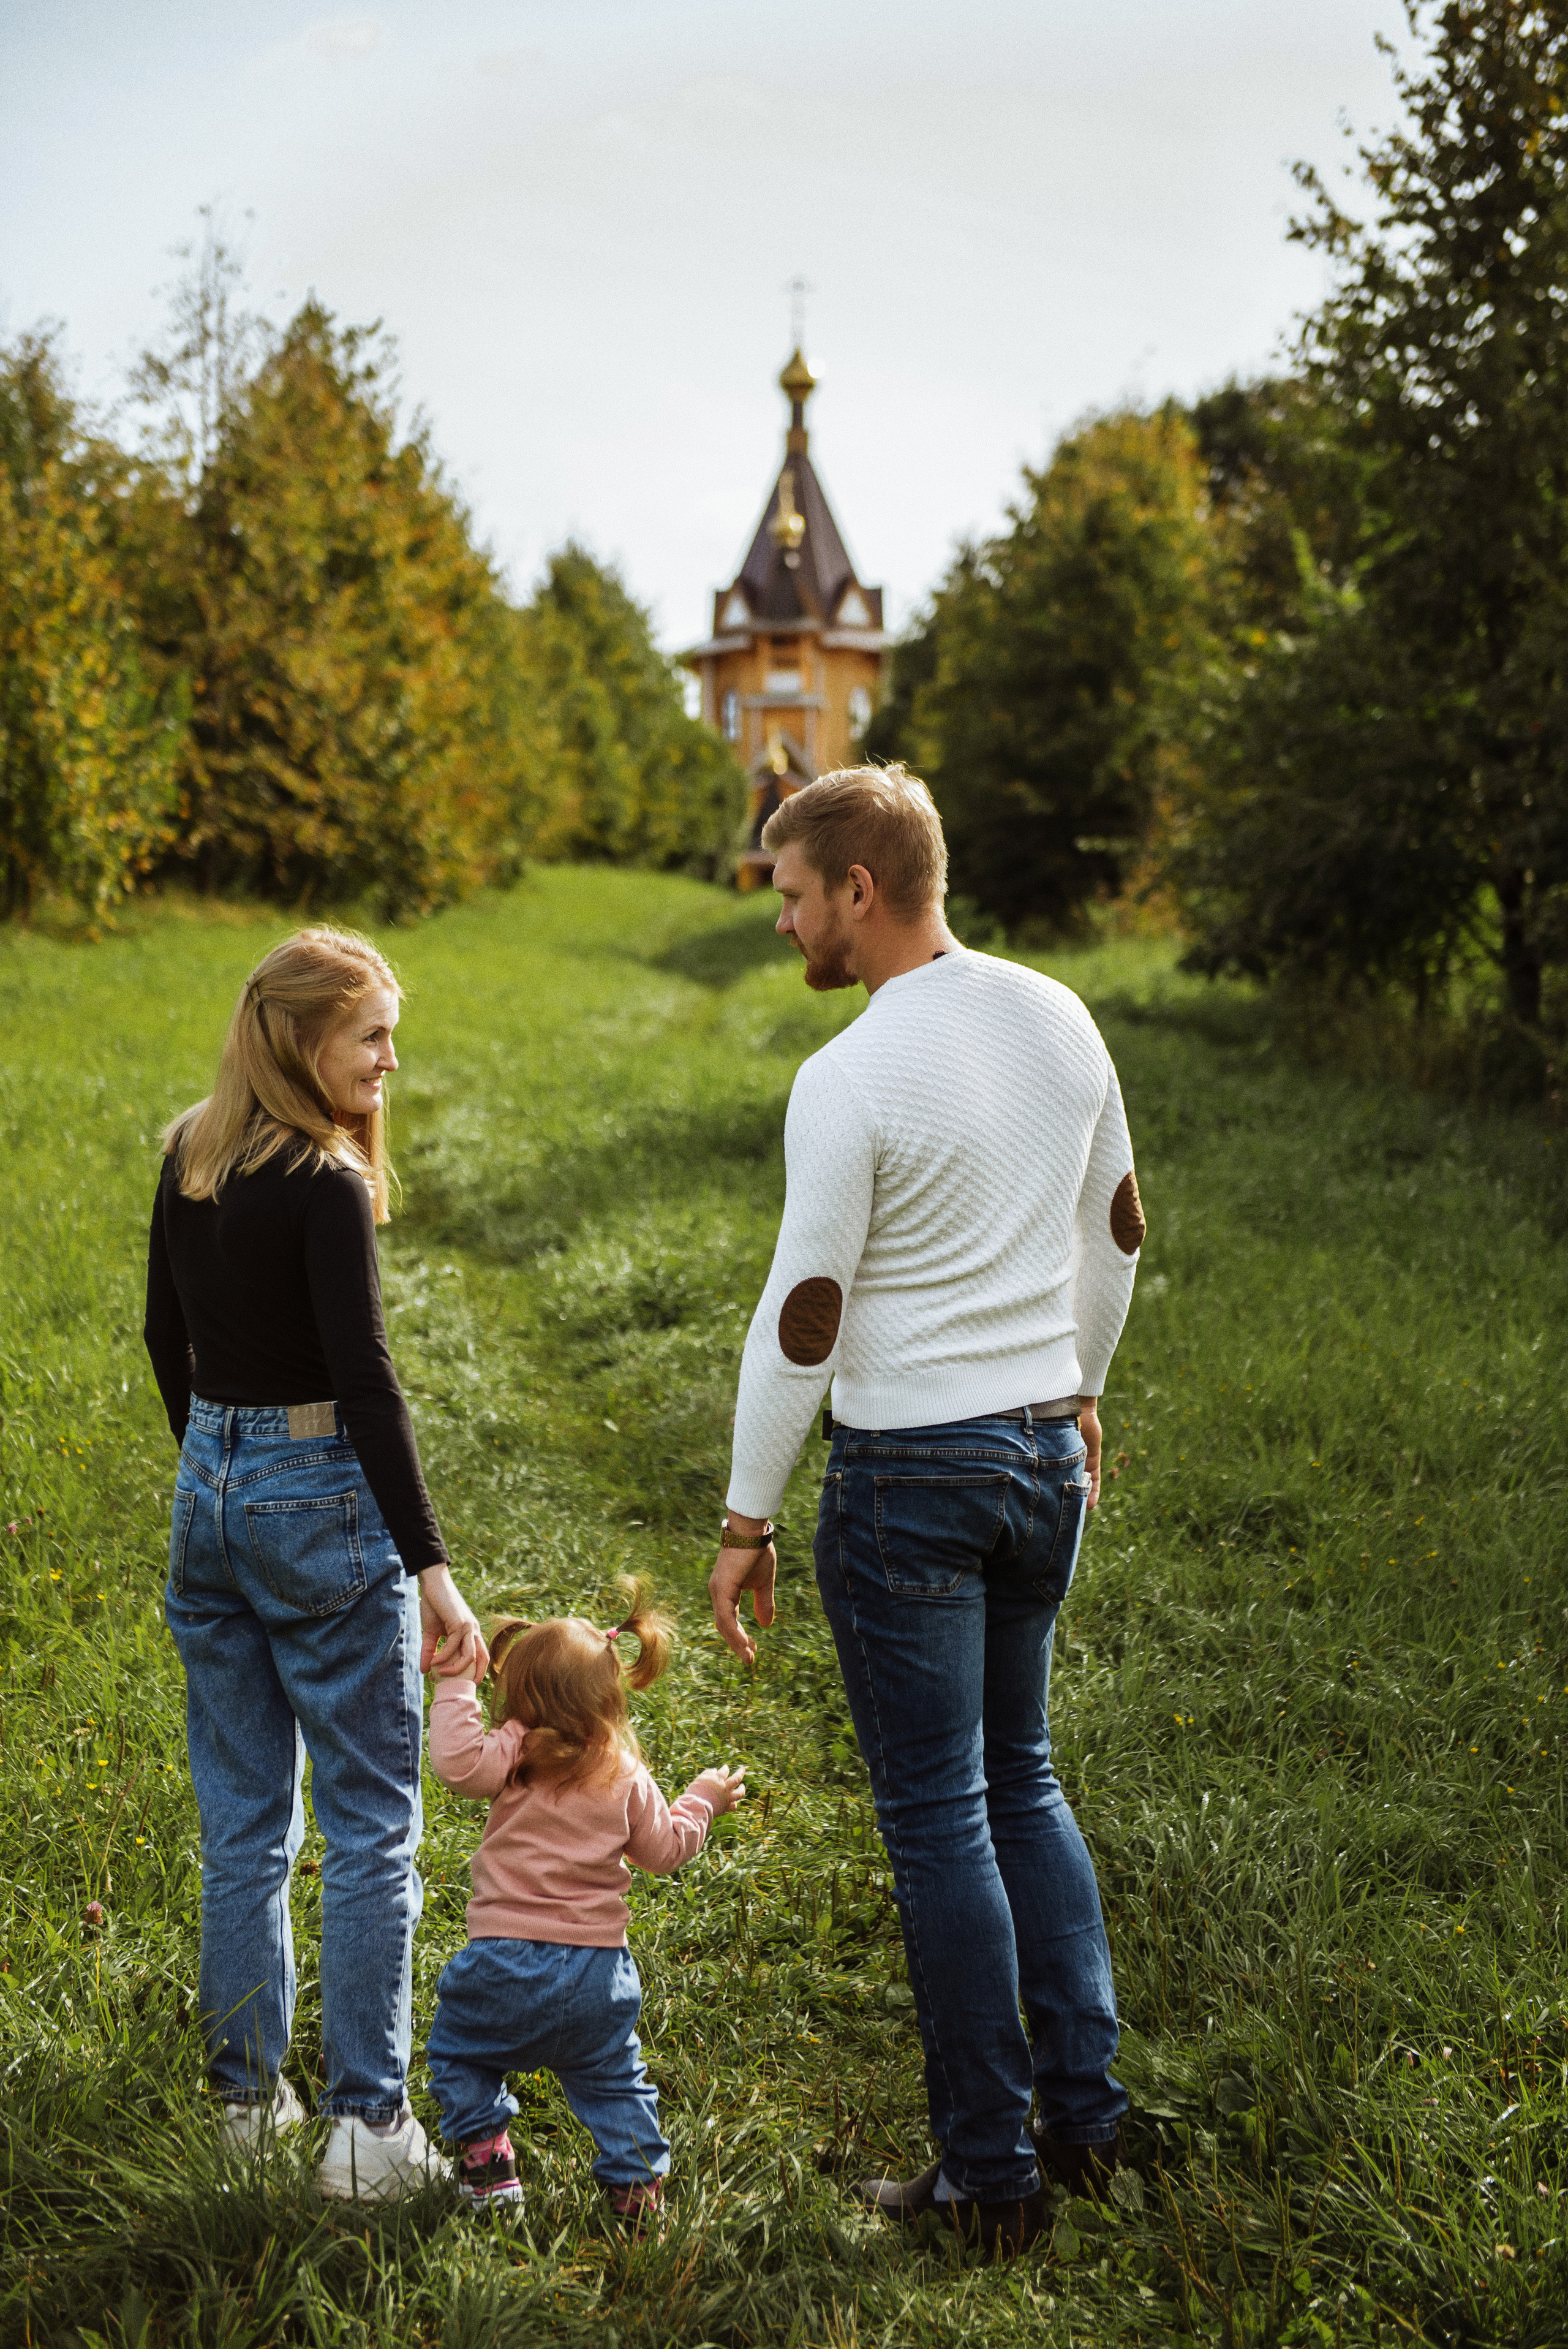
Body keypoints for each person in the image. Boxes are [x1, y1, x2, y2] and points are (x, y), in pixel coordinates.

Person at [708, 766, 1145, 2258]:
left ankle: (983, 2174)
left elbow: (803, 1316)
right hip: (1040, 1457)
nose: (780, 919)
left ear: (858, 890)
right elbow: (1115, 1229)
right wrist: (1078, 1384)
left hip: (910, 1470)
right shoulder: (1058, 1016)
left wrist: (744, 1514)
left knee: (943, 1815)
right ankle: (1083, 2125)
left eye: (789, 892)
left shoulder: (848, 1074)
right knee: (1021, 1778)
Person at [143, 924, 488, 2203]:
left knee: (242, 1825)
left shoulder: (193, 1149)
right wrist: (432, 1569)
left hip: (211, 1489)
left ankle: (243, 2107)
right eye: (373, 1036)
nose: (393, 1059)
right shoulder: (327, 1180)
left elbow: (159, 1337)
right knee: (370, 1828)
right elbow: (366, 1380)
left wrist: (220, 1475)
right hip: (316, 1486)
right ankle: (366, 2130)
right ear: (301, 1041)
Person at [425, 1582, 744, 2223]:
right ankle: (636, 2191)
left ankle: (488, 2160)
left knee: (461, 2052)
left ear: (520, 1696)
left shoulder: (513, 1753)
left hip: (504, 1965)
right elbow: (664, 1852)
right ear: (610, 1698)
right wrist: (702, 1800)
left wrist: (454, 1684)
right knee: (612, 2078)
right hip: (599, 1976)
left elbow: (456, 1765)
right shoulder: (624, 1771)